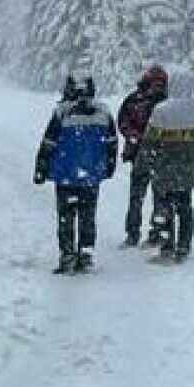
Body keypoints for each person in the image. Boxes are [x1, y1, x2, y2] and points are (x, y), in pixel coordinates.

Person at [35, 74, 118, 274]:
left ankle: (67, 256)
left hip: (65, 175)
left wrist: (41, 168)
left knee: (66, 217)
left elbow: (49, 143)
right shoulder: (104, 113)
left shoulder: (61, 113)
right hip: (90, 175)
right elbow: (112, 143)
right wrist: (108, 167)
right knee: (88, 216)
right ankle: (86, 255)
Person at [136, 73, 194, 263]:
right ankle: (184, 246)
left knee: (164, 206)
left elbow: (150, 141)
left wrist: (144, 164)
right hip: (188, 167)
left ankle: (167, 247)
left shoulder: (162, 110)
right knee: (185, 205)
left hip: (165, 166)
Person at [117, 65, 171, 248]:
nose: (157, 87)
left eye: (160, 84)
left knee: (152, 196)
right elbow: (122, 121)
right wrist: (134, 136)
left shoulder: (163, 102)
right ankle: (138, 233)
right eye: (155, 83)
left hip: (156, 154)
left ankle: (151, 233)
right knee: (142, 196)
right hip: (145, 153)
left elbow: (123, 121)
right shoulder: (136, 100)